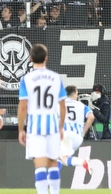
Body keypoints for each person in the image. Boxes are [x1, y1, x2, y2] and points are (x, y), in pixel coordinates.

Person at [18, 44, 66, 194]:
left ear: (31, 59)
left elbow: (23, 106)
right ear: (46, 58)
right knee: (53, 162)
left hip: (34, 127)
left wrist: (21, 130)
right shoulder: (56, 78)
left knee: (39, 164)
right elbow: (62, 105)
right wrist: (61, 127)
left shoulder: (26, 79)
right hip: (52, 125)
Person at [60, 86, 93, 172]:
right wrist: (83, 131)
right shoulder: (82, 106)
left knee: (64, 159)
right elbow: (91, 117)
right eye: (77, 94)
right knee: (59, 156)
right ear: (74, 94)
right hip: (78, 137)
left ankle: (83, 162)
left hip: (65, 135)